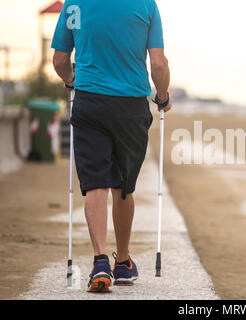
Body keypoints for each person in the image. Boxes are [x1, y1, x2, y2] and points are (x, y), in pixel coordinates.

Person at [51, 0, 172, 292]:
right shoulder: (146, 5)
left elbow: (59, 59)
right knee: (123, 185)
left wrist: (70, 80)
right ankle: (123, 262)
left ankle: (100, 262)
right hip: (130, 106)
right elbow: (158, 62)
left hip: (90, 100)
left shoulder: (75, 3)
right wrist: (163, 94)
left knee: (94, 183)